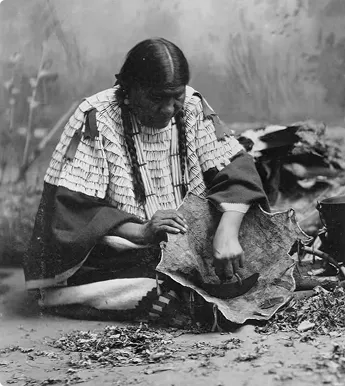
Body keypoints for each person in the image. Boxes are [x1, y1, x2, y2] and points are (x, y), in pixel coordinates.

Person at [22, 37, 269, 323]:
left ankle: (162, 293)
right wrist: (143, 231)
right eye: (156, 98)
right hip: (124, 246)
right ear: (127, 91)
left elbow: (236, 171)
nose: (168, 109)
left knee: (249, 239)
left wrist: (226, 232)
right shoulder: (95, 117)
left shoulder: (191, 104)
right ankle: (151, 295)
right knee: (88, 277)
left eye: (175, 96)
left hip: (192, 238)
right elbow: (73, 212)